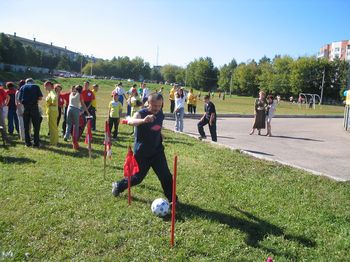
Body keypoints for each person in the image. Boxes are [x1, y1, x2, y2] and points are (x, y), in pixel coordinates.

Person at [111, 93, 177, 204]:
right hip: (142, 152)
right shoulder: (141, 113)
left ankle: (172, 200)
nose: (157, 108)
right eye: (154, 105)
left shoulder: (160, 114)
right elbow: (131, 121)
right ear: (148, 103)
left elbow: (158, 125)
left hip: (157, 151)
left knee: (166, 176)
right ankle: (118, 185)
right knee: (137, 178)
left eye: (159, 106)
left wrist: (160, 134)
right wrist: (143, 121)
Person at [19, 78, 43, 147]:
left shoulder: (22, 87)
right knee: (36, 126)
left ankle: (27, 143)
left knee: (26, 127)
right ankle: (36, 143)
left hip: (25, 108)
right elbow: (40, 97)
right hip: (34, 107)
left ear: (26, 82)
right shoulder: (36, 86)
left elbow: (20, 100)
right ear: (33, 82)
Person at [44, 81, 58, 146]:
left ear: (49, 85)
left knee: (52, 127)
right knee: (52, 127)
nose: (45, 87)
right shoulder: (50, 92)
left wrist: (51, 104)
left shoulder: (52, 92)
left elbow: (55, 98)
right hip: (51, 111)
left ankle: (53, 142)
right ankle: (53, 141)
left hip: (52, 111)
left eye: (46, 85)